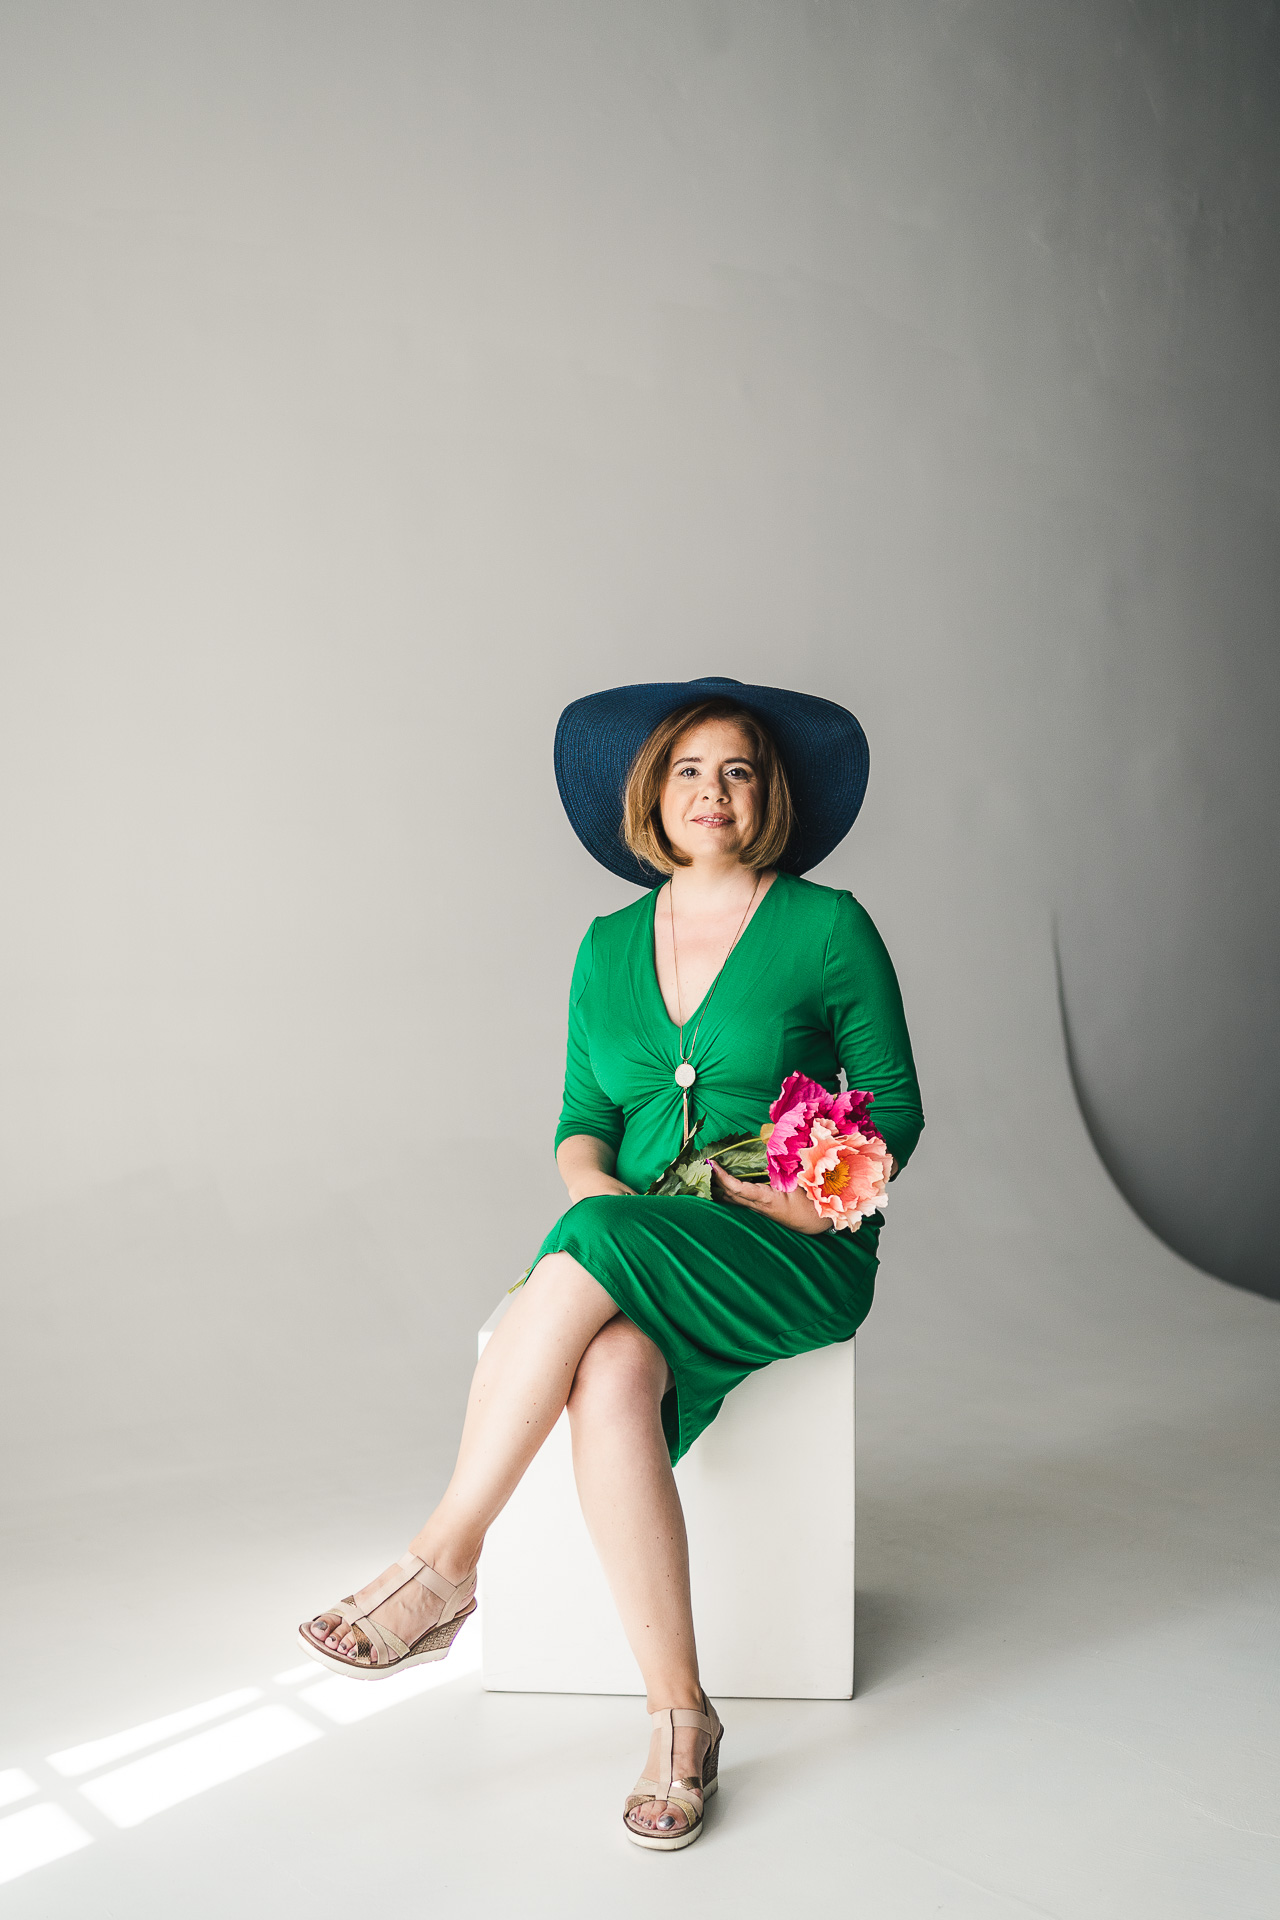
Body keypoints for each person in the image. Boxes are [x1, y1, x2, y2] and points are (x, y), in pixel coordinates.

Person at [298, 675, 924, 1851]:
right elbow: (581, 1123)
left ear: (767, 795)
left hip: (787, 1249)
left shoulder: (826, 926)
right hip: (636, 1240)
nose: (711, 791)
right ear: (651, 794)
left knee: (589, 1249)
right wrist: (602, 1197)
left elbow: (892, 1108)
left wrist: (796, 1202)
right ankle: (681, 1717)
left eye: (736, 770)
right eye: (687, 770)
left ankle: (442, 1564)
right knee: (611, 1371)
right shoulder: (604, 945)